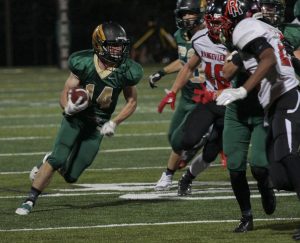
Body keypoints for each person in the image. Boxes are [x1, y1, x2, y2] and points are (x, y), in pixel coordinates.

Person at [15, 21, 143, 215]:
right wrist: (68, 107)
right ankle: (30, 199)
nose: (118, 50)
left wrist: (113, 122)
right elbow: (66, 91)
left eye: (121, 45)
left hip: (97, 126)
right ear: (99, 45)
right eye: (113, 45)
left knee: (72, 177)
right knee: (58, 158)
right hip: (75, 119)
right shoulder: (83, 62)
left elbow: (132, 101)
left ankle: (48, 163)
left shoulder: (127, 70)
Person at [216, 0, 300, 239]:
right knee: (281, 175)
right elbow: (230, 70)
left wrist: (242, 90)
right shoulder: (268, 30)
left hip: (285, 96)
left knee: (285, 157)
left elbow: (270, 58)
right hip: (272, 104)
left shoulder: (245, 27)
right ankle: (248, 213)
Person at [158, 0, 232, 196]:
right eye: (212, 23)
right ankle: (171, 169)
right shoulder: (199, 38)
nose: (216, 27)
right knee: (187, 139)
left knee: (210, 154)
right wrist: (173, 92)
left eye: (220, 23)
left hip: (232, 104)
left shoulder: (236, 42)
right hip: (209, 100)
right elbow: (189, 66)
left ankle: (188, 177)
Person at [152, 0, 207, 191]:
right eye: (182, 14)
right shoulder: (180, 34)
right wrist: (162, 72)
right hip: (187, 94)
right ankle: (194, 145)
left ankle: (168, 175)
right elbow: (184, 61)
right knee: (172, 136)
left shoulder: (212, 35)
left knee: (178, 140)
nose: (185, 18)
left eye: (189, 13)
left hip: (204, 96)